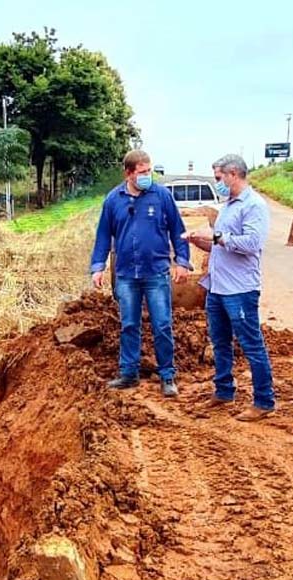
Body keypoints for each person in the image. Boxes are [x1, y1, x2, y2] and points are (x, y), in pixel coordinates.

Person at [90, 149, 192, 397]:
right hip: (126, 274)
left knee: (162, 324)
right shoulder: (113, 200)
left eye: (150, 171)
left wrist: (182, 261)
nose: (148, 176)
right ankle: (128, 373)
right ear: (128, 173)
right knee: (129, 324)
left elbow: (178, 230)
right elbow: (103, 235)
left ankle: (167, 375)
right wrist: (98, 266)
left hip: (156, 272)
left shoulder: (162, 196)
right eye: (143, 172)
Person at [184, 154, 276, 421]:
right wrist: (200, 241)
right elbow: (221, 245)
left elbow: (251, 244)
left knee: (251, 344)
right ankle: (224, 390)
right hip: (218, 287)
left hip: (240, 289)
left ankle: (264, 400)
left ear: (233, 174)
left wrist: (215, 236)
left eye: (218, 177)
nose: (218, 183)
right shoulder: (227, 206)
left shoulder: (254, 205)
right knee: (219, 341)